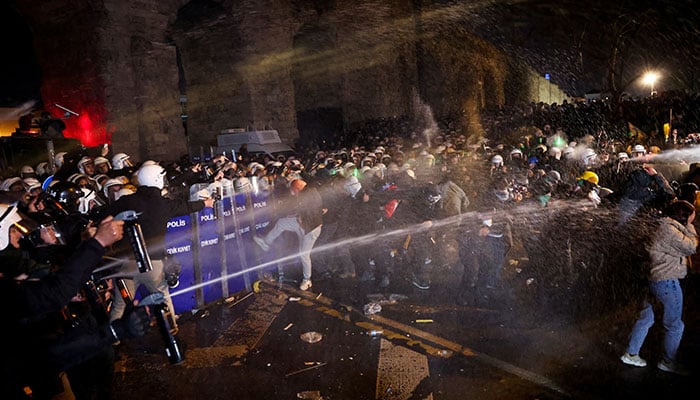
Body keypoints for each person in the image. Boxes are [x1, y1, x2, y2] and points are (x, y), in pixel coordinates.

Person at [106, 163, 214, 331]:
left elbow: (106, 212)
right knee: (163, 298)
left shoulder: (128, 200)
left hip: (127, 262)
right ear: (156, 179)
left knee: (119, 304)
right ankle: (171, 332)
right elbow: (185, 207)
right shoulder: (162, 204)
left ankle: (112, 339)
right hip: (153, 261)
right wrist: (205, 204)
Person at [620, 200, 697, 376]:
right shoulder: (669, 231)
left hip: (653, 279)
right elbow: (691, 247)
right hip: (666, 281)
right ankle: (668, 362)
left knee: (646, 317)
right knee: (675, 325)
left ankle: (631, 353)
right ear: (683, 216)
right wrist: (691, 227)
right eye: (692, 216)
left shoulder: (664, 226)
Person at [253, 178, 323, 291]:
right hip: (302, 224)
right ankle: (266, 242)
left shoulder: (309, 194)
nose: (293, 193)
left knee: (304, 255)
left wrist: (301, 215)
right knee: (282, 223)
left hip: (310, 230)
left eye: (293, 191)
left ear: (297, 188)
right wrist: (297, 215)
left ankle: (307, 280)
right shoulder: (308, 192)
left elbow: (310, 208)